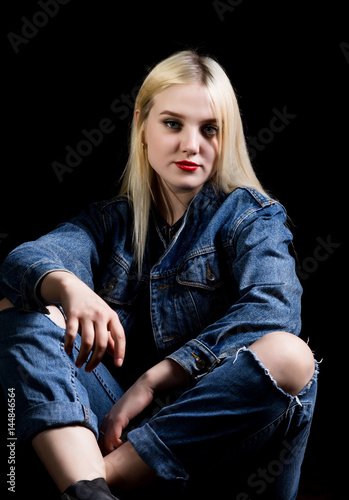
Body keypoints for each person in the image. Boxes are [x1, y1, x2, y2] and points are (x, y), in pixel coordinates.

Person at [0, 50, 317, 500]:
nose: (192, 144)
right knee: (22, 305)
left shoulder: (250, 217)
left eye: (210, 129)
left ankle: (94, 477)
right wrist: (68, 287)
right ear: (142, 127)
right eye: (173, 124)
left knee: (291, 356)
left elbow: (274, 311)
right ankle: (90, 492)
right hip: (113, 429)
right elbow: (23, 261)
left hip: (219, 449)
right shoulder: (110, 222)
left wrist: (156, 379)